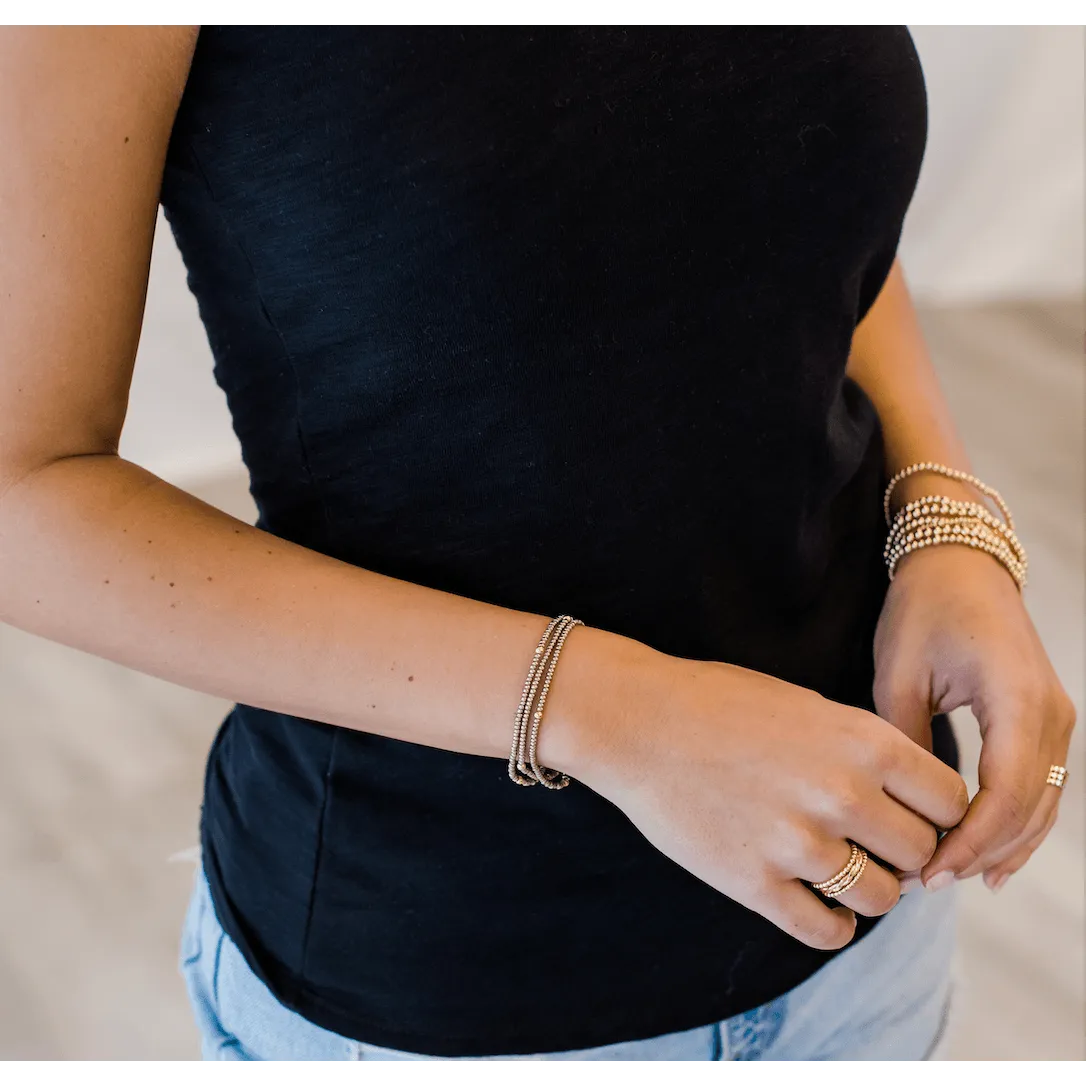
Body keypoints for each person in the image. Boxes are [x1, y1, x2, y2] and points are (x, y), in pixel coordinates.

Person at [0, 24, 1075, 1064]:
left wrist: (946, 523)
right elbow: (23, 495)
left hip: (869, 917)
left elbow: (790, 186)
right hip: (444, 992)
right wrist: (617, 712)